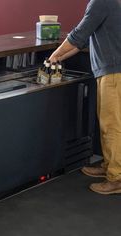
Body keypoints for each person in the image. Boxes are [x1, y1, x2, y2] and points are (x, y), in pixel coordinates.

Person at [49, 0, 121, 195]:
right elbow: (83, 40)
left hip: (113, 73)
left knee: (112, 126)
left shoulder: (102, 2)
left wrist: (53, 54)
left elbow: (78, 36)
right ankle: (109, 166)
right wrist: (58, 57)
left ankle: (116, 178)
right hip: (113, 71)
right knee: (112, 124)